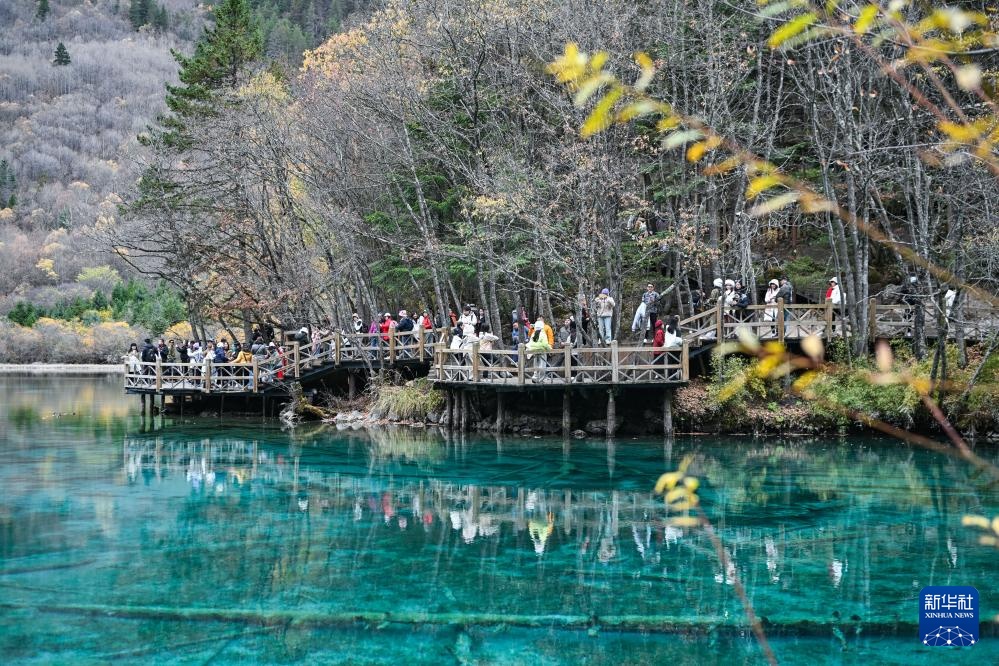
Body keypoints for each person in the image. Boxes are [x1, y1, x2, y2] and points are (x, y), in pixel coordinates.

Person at [526, 317, 553, 382]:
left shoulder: (535, 333)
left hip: (534, 351)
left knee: (536, 363)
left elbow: (531, 341)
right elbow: (545, 343)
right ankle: (540, 378)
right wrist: (549, 348)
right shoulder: (542, 334)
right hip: (542, 350)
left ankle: (535, 376)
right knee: (542, 364)